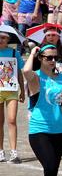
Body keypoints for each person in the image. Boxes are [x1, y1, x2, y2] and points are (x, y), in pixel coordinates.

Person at [22, 44, 62, 176]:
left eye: (54, 57)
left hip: (59, 129)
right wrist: (33, 52)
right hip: (39, 130)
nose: (52, 61)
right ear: (40, 58)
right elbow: (26, 70)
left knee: (53, 172)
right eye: (48, 57)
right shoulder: (36, 78)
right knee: (49, 167)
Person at [0, 30, 25, 163]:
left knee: (11, 120)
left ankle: (14, 152)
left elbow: (20, 72)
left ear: (8, 39)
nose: (1, 40)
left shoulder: (14, 53)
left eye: (4, 37)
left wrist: (23, 90)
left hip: (11, 90)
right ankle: (1, 151)